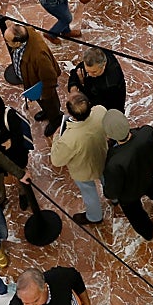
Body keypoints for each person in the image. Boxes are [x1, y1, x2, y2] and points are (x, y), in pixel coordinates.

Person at [102, 110, 153, 241]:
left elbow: (112, 191)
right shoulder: (146, 132)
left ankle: (148, 232)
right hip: (147, 175)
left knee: (136, 215)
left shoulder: (113, 162)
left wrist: (107, 193)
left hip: (129, 195)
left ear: (109, 135)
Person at [50, 92, 108, 226]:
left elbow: (57, 161)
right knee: (107, 179)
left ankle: (94, 217)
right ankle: (114, 197)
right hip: (103, 156)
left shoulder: (69, 138)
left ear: (71, 114)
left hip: (83, 170)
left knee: (89, 191)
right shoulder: (100, 111)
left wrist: (56, 138)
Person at [3, 21, 63, 136]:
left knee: (50, 102)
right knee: (42, 102)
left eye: (7, 41)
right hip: (33, 82)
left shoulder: (39, 57)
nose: (6, 42)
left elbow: (49, 79)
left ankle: (55, 119)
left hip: (42, 86)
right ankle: (47, 112)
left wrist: (44, 94)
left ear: (17, 43)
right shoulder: (25, 32)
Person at [68, 47, 126, 113]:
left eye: (94, 72)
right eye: (87, 71)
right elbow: (76, 72)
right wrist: (73, 90)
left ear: (104, 65)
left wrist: (82, 83)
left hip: (110, 106)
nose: (89, 74)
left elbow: (94, 102)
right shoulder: (96, 57)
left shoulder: (111, 83)